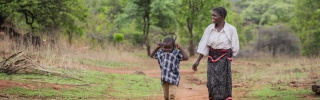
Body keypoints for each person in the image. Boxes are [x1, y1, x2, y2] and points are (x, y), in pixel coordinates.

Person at [192, 7, 239, 100]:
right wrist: (197, 61)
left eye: (214, 15)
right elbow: (204, 45)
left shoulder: (231, 29)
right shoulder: (209, 29)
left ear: (222, 16)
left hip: (225, 59)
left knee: (223, 82)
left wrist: (228, 58)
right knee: (211, 83)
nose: (212, 17)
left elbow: (235, 47)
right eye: (212, 15)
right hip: (211, 59)